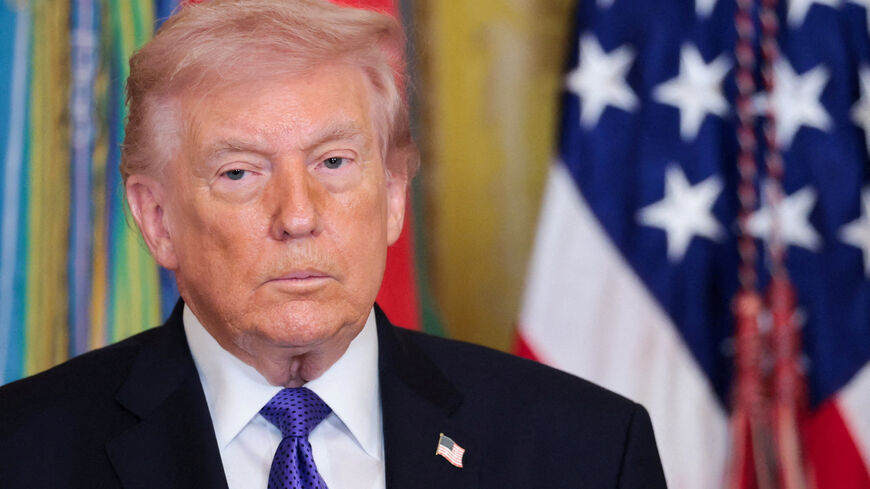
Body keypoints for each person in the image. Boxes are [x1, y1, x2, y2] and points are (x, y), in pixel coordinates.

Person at [0, 0, 668, 488]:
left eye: (334, 163)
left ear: (395, 195)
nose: (298, 215)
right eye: (239, 172)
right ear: (157, 219)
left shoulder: (586, 450)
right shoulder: (23, 452)